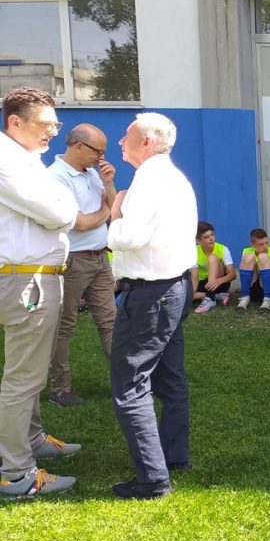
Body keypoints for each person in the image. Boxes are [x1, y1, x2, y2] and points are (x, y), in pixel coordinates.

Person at [107, 111, 198, 499]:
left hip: (150, 295)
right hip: (174, 288)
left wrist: (115, 214)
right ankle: (173, 457)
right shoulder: (174, 178)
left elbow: (129, 237)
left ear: (145, 141)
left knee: (130, 385)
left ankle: (153, 480)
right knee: (170, 379)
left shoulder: (148, 180)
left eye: (126, 135)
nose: (120, 142)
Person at [0, 87, 81, 498]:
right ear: (15, 122)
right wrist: (63, 210)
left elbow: (62, 209)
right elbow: (60, 212)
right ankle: (16, 473)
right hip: (24, 279)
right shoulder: (6, 161)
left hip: (33, 275)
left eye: (56, 124)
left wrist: (62, 209)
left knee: (30, 372)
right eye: (46, 124)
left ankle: (30, 440)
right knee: (23, 377)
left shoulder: (25, 158)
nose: (53, 132)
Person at [46, 123, 118, 406]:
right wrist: (106, 210)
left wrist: (109, 183)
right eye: (98, 151)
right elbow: (82, 224)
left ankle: (125, 382)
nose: (101, 157)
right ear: (78, 146)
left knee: (110, 321)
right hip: (72, 260)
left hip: (100, 258)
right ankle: (60, 389)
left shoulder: (93, 172)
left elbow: (116, 209)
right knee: (64, 325)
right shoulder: (56, 177)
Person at [236, 228, 270, 311]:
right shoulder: (246, 251)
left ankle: (268, 300)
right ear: (253, 244)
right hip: (253, 290)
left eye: (266, 243)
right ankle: (245, 298)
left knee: (263, 257)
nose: (265, 246)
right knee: (248, 256)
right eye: (261, 244)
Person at [192, 221, 236, 313]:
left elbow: (233, 275)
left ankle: (210, 298)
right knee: (187, 295)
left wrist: (219, 281)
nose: (211, 239)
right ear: (198, 240)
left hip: (220, 283)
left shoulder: (223, 249)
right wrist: (191, 294)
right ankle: (217, 296)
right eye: (206, 237)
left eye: (212, 235)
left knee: (212, 258)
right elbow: (194, 278)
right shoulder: (194, 252)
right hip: (203, 284)